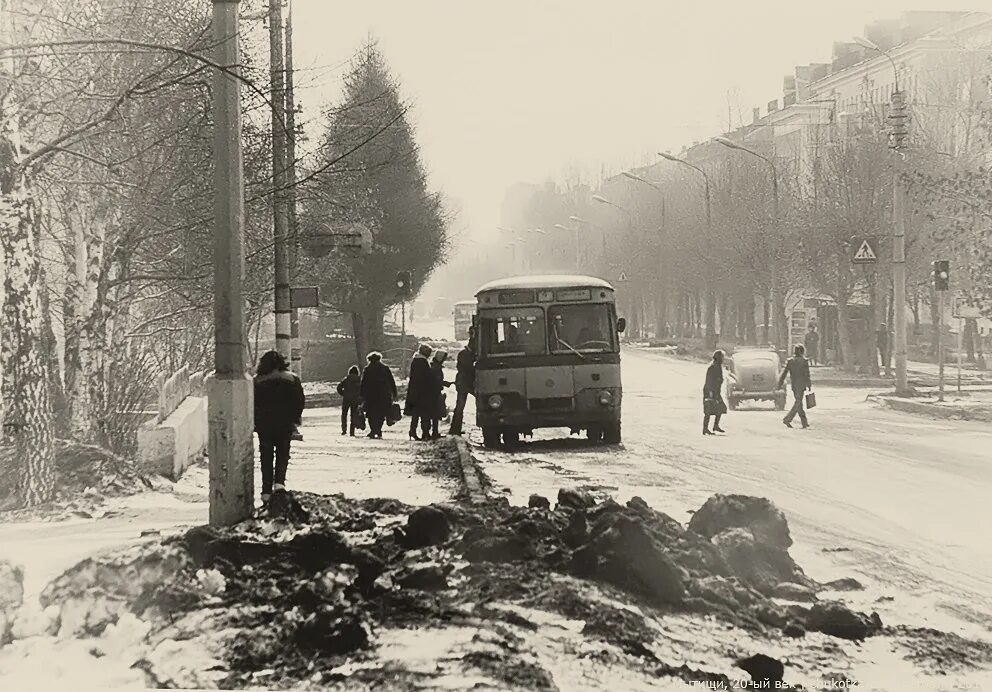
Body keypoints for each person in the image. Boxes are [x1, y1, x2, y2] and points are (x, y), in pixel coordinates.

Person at [253, 350, 306, 503]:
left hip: (264, 424)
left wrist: (256, 421)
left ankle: (266, 491)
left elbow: (252, 403)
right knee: (283, 453)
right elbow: (299, 401)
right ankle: (279, 484)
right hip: (284, 423)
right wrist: (294, 419)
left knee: (266, 455)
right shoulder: (292, 379)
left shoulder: (257, 381)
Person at [359, 351, 396, 438]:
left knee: (371, 414)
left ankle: (373, 430)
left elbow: (363, 383)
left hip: (370, 395)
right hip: (383, 394)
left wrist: (361, 395)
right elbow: (391, 381)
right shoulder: (385, 368)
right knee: (381, 414)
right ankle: (378, 430)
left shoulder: (367, 369)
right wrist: (394, 392)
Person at [449, 329, 477, 436]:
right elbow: (467, 369)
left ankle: (455, 428)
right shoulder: (465, 355)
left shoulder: (463, 354)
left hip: (464, 382)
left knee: (460, 406)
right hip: (465, 383)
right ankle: (455, 429)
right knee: (460, 406)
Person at [778, 344, 812, 429]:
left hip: (794, 385)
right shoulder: (804, 361)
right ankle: (787, 419)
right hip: (802, 384)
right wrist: (809, 384)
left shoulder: (790, 361)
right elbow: (807, 374)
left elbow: (784, 373)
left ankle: (804, 422)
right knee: (798, 402)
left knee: (798, 402)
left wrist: (780, 383)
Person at [405, 344, 434, 440]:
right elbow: (427, 377)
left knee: (416, 413)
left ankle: (412, 431)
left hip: (414, 390)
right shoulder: (423, 362)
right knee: (424, 413)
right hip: (422, 391)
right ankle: (425, 433)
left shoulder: (416, 361)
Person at [702, 350, 727, 435]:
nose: (723, 359)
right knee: (708, 410)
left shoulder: (718, 365)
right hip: (710, 391)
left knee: (720, 408)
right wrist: (710, 392)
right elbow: (709, 381)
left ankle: (716, 426)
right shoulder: (712, 367)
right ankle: (705, 429)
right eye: (722, 357)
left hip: (715, 391)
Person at [428, 350, 451, 440]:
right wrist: (445, 383)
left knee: (434, 413)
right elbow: (436, 381)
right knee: (435, 413)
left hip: (433, 391)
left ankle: (434, 431)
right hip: (434, 392)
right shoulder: (436, 368)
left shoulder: (434, 366)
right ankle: (433, 432)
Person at [335, 365, 362, 436]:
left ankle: (344, 430)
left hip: (346, 399)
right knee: (353, 415)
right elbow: (362, 390)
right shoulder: (359, 380)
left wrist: (343, 394)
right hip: (355, 400)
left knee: (344, 415)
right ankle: (352, 431)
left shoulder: (346, 379)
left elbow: (339, 388)